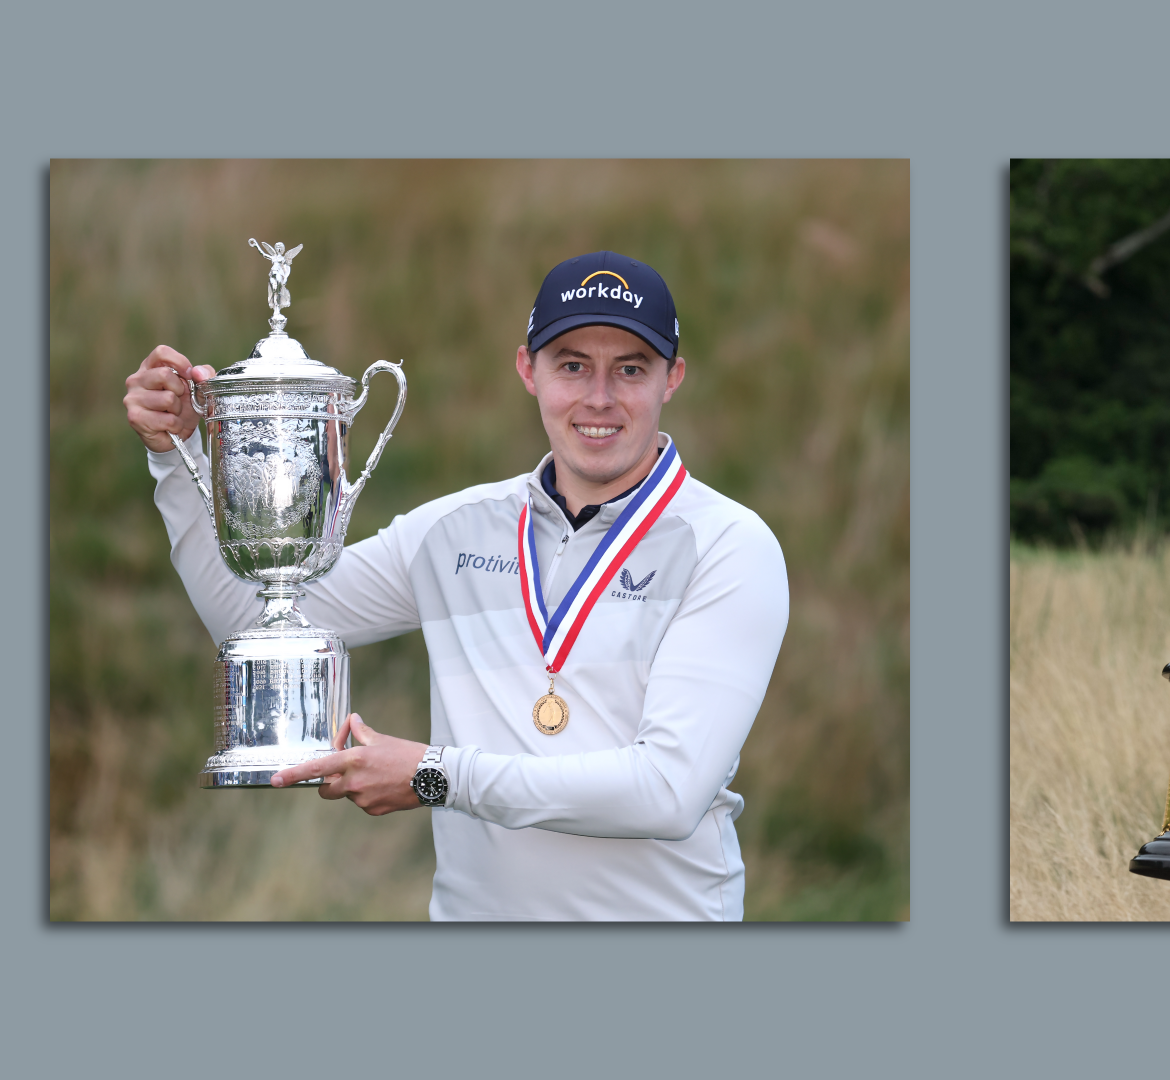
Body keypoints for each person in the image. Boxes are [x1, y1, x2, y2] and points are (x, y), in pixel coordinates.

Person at [122, 251, 789, 921]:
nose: (598, 399)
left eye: (631, 370)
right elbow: (253, 618)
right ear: (528, 369)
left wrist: (435, 774)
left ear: (673, 377)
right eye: (573, 365)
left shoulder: (730, 545)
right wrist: (173, 460)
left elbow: (667, 791)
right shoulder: (452, 532)